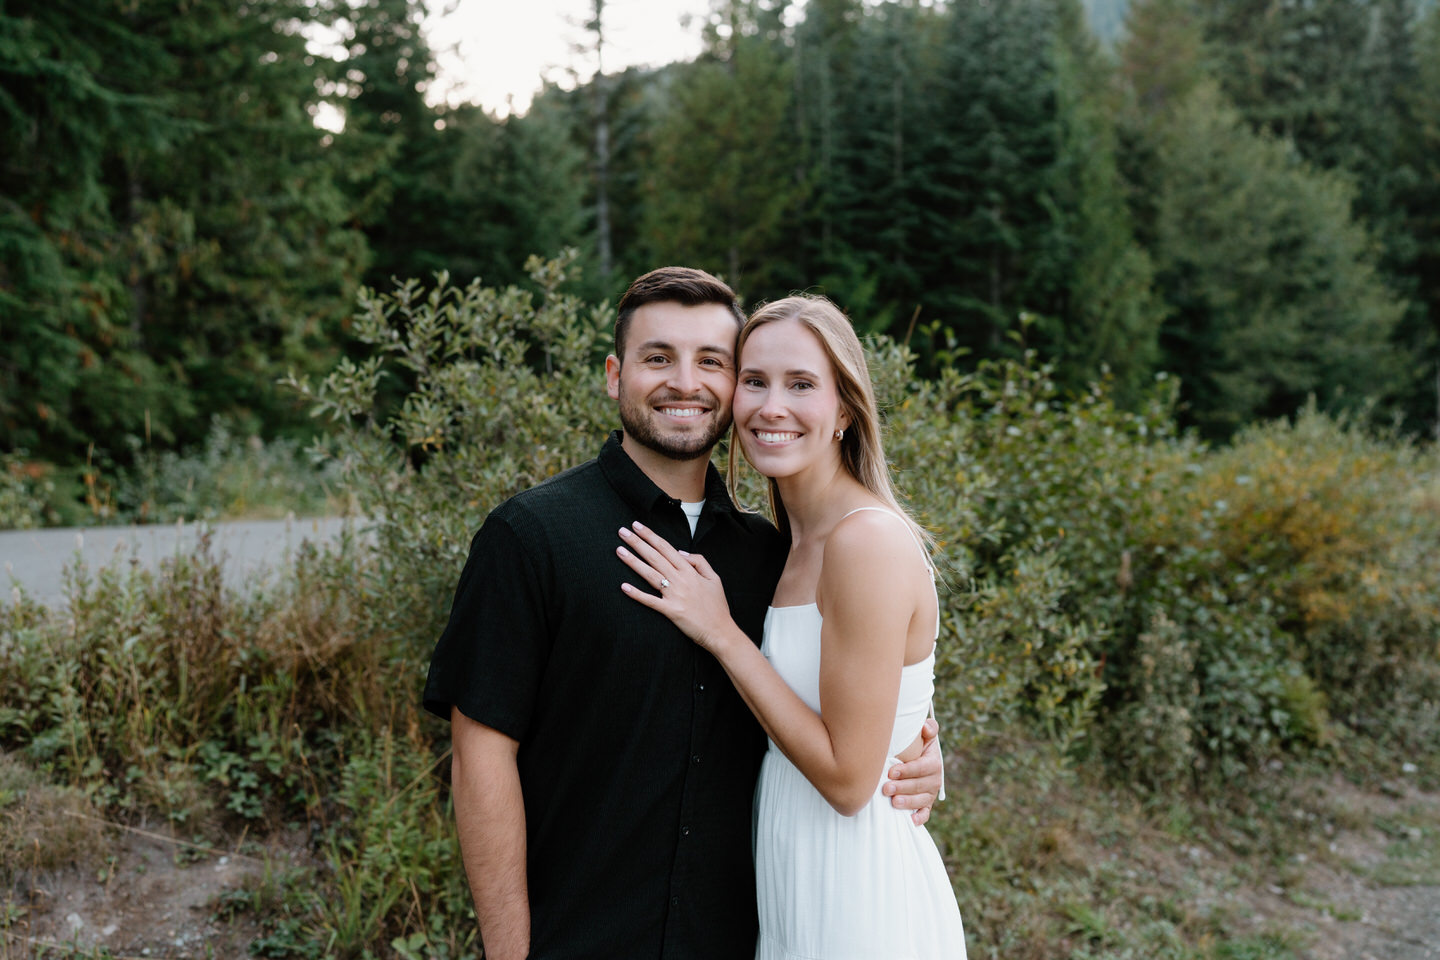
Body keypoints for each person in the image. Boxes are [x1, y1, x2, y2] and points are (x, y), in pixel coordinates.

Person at [423, 268, 944, 960]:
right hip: (581, 938)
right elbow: (479, 755)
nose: (685, 383)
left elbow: (853, 708)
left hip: (750, 934)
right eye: (657, 358)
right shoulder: (533, 537)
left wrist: (918, 747)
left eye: (713, 364)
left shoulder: (769, 554)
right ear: (615, 375)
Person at [615, 293, 967, 959]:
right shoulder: (784, 547)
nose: (770, 407)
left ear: (845, 409)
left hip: (858, 892)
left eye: (801, 384)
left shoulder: (865, 542)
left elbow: (846, 779)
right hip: (790, 873)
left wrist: (721, 633)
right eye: (754, 381)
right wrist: (922, 754)